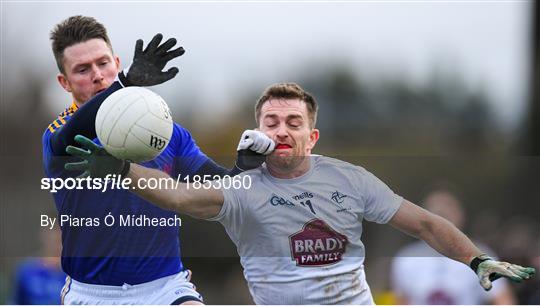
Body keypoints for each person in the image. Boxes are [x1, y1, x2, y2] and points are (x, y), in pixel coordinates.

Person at [65, 83, 536, 304]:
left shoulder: (351, 180)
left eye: (295, 122)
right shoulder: (239, 190)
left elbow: (427, 224)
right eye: (272, 122)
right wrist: (125, 169)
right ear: (258, 132)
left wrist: (477, 260)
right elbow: (177, 196)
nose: (283, 129)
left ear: (313, 137)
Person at [43, 16, 273, 304]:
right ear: (64, 82)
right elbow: (70, 135)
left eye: (103, 63)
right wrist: (124, 83)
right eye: (82, 69)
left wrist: (245, 168)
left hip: (164, 289)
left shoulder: (164, 132)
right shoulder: (62, 135)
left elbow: (216, 186)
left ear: (116, 62)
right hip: (92, 294)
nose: (97, 75)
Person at [391, 187, 516, 304]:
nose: (440, 213)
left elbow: (503, 299)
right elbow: (401, 301)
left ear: (461, 215)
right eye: (434, 210)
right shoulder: (406, 258)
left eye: (447, 208)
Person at [11, 222, 66, 304]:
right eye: (53, 231)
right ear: (43, 235)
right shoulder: (26, 271)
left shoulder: (73, 274)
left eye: (60, 231)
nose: (56, 236)